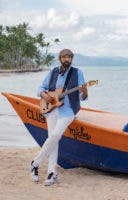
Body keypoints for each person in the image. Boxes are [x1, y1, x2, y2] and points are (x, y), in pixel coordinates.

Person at [30, 49, 88, 186]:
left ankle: (35, 163)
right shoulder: (53, 72)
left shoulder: (77, 73)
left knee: (55, 135)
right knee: (53, 140)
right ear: (60, 59)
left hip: (68, 111)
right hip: (51, 110)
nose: (67, 59)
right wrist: (46, 96)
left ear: (72, 59)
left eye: (69, 57)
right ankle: (51, 172)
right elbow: (40, 89)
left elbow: (83, 97)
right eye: (64, 57)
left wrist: (84, 91)